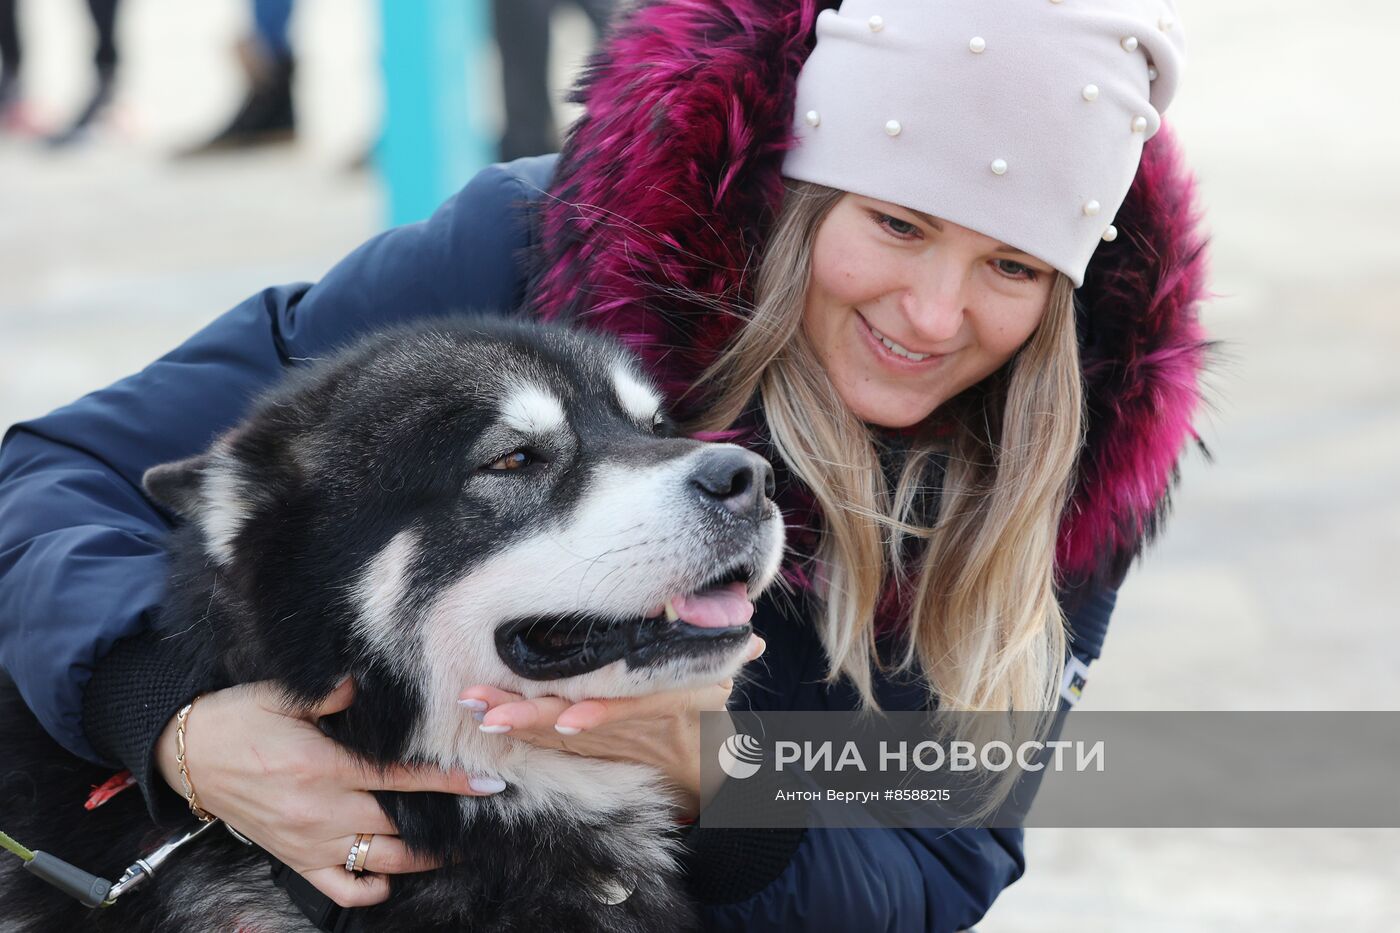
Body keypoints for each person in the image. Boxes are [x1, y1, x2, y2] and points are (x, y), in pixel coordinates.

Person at [0, 0, 1210, 930]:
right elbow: (55, 479)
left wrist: (713, 778)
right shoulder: (532, 251)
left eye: (1011, 269)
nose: (935, 317)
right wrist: (169, 722)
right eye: (895, 224)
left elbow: (939, 858)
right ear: (801, 192)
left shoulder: (1070, 456)